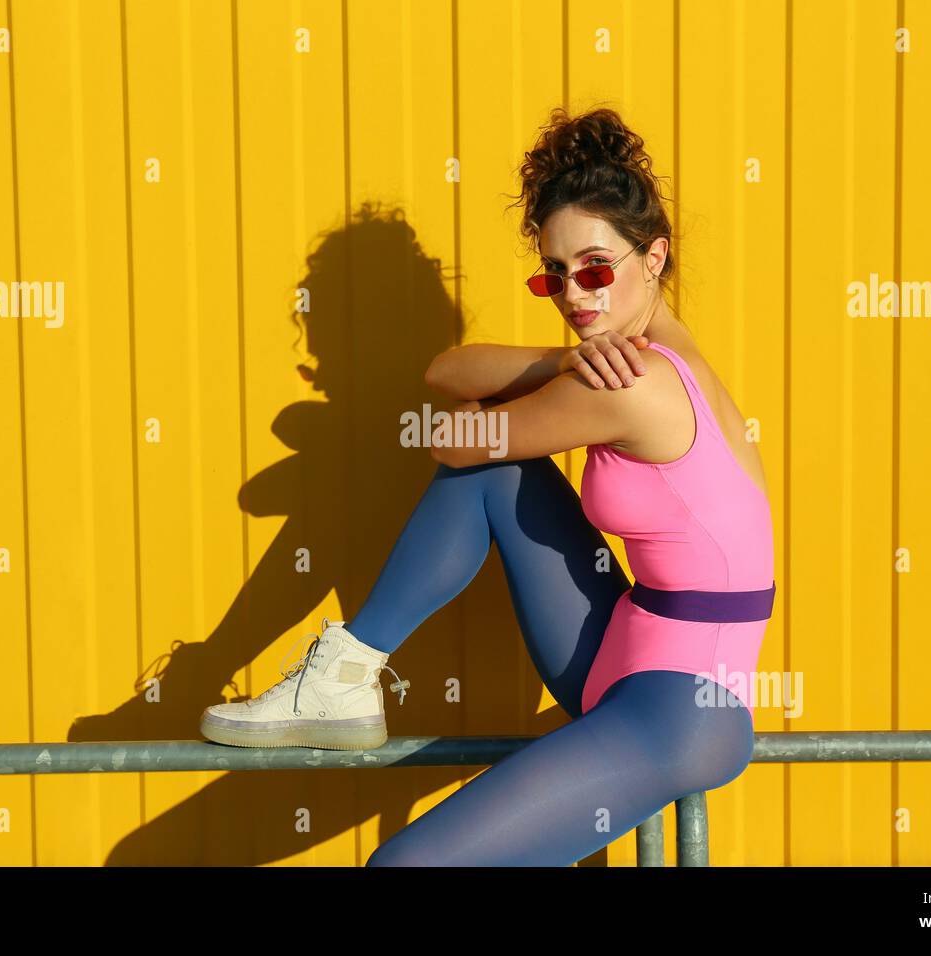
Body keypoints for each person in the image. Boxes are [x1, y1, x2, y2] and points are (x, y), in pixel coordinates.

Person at [200, 106, 776, 866]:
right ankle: (344, 676)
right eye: (556, 277)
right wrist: (561, 360)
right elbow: (444, 372)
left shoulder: (638, 381)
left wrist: (571, 372)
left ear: (655, 258)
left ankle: (342, 676)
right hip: (617, 652)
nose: (578, 297)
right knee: (502, 473)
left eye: (598, 269)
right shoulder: (655, 345)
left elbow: (450, 435)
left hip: (676, 710)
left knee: (402, 866)